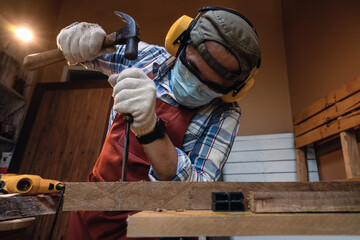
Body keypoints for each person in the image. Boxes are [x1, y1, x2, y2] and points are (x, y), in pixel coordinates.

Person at [56, 6, 261, 240]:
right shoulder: (146, 58)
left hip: (156, 226)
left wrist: (150, 129)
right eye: (192, 68)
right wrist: (78, 34)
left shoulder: (225, 114)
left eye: (211, 86)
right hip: (93, 206)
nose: (195, 85)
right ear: (179, 42)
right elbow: (81, 53)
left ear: (234, 90)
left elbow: (197, 190)